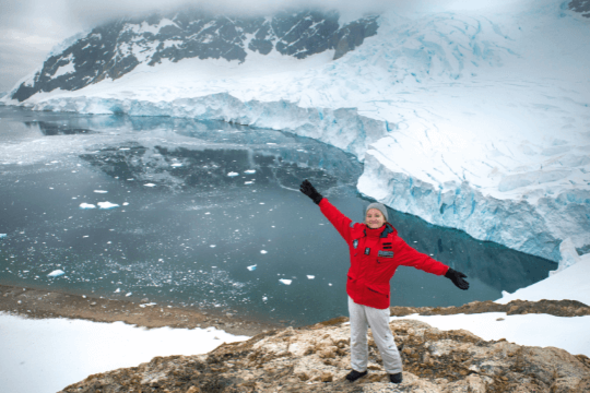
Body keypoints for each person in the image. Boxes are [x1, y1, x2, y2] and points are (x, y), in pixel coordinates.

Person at [299, 179, 469, 384]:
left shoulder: (394, 244)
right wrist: (318, 198)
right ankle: (359, 368)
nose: (372, 218)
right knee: (356, 336)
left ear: (384, 219)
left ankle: (395, 371)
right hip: (354, 294)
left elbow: (420, 260)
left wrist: (448, 272)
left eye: (377, 215)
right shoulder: (355, 232)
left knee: (383, 339)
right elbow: (336, 217)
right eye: (369, 215)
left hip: (376, 299)